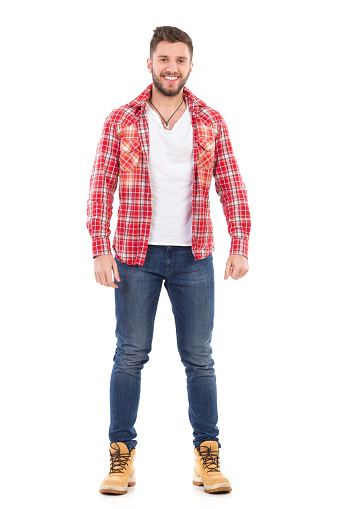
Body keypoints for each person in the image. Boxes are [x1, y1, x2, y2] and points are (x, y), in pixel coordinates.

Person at [86, 25, 251, 495]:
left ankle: (207, 454)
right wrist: (100, 245)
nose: (171, 68)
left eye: (180, 60)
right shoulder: (122, 119)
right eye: (164, 59)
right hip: (135, 255)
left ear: (190, 66)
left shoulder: (210, 120)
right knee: (130, 355)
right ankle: (121, 458)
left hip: (194, 254)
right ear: (150, 63)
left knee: (199, 358)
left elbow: (231, 183)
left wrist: (240, 240)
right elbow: (101, 185)